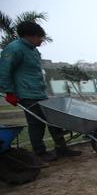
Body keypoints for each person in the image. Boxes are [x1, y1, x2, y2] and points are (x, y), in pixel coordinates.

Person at [0, 21, 81, 162]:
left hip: (40, 93)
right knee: (36, 124)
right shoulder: (14, 49)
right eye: (39, 37)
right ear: (28, 36)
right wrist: (9, 92)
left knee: (54, 120)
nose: (42, 40)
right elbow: (4, 71)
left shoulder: (33, 50)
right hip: (26, 94)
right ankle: (40, 153)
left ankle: (61, 148)